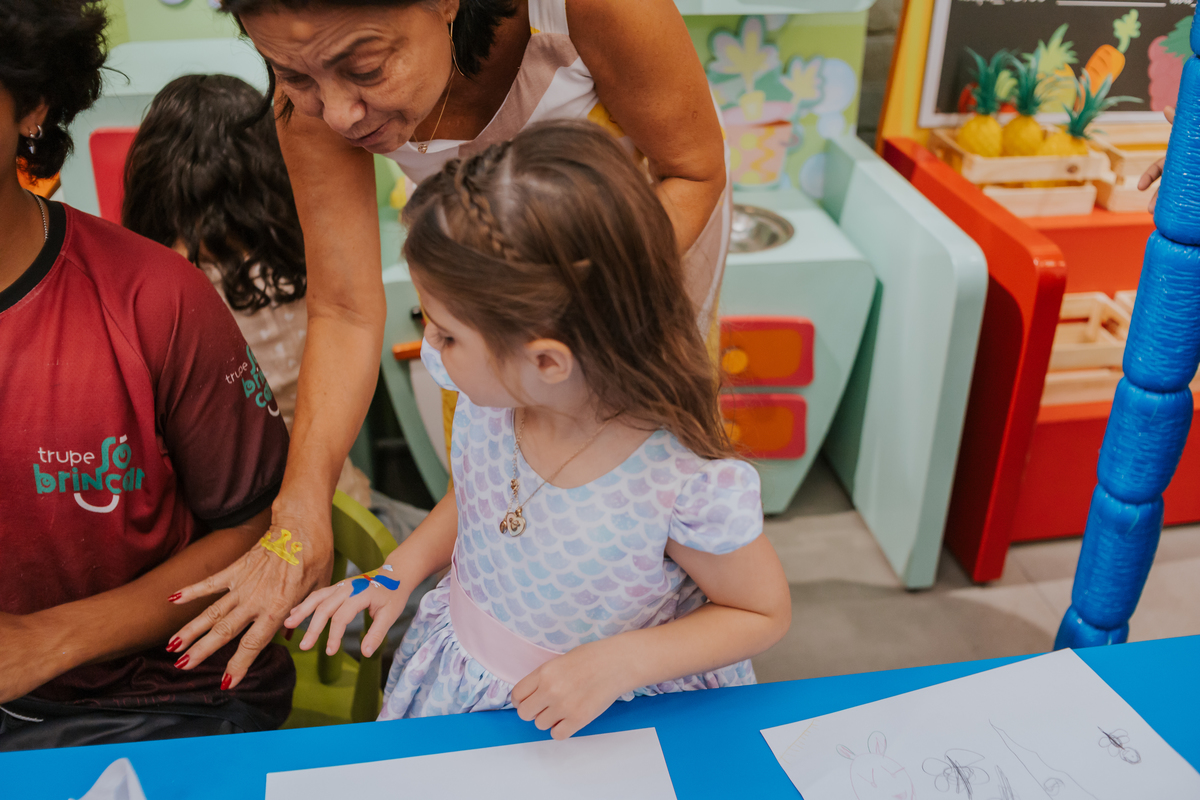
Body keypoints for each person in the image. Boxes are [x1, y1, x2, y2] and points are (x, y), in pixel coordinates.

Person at [166, 0, 732, 690]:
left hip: (632, 268)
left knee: (625, 503)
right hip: (487, 314)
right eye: (294, 77)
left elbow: (693, 170)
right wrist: (302, 506)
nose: (338, 114)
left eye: (365, 68)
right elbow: (345, 309)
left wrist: (565, 324)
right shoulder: (317, 88)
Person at [284, 121, 790, 739]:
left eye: (445, 332)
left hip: (603, 722)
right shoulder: (492, 397)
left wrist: (620, 662)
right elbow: (474, 496)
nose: (430, 347)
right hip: (466, 683)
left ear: (547, 360)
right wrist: (402, 569)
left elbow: (759, 610)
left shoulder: (679, 483)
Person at [0, 0, 294, 750]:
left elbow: (257, 522)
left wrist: (50, 638)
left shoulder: (153, 297)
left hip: (160, 698)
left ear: (30, 103)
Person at [122, 73, 371, 505]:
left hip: (246, 524)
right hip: (346, 503)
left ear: (155, 179)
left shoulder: (168, 289)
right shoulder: (308, 260)